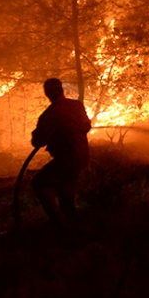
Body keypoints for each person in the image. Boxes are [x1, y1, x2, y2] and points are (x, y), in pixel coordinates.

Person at [31, 78, 91, 230]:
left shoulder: (50, 114)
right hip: (82, 154)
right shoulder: (76, 105)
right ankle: (78, 229)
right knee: (66, 197)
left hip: (68, 158)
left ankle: (59, 223)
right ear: (62, 90)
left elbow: (38, 141)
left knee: (38, 183)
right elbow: (87, 126)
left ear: (47, 93)